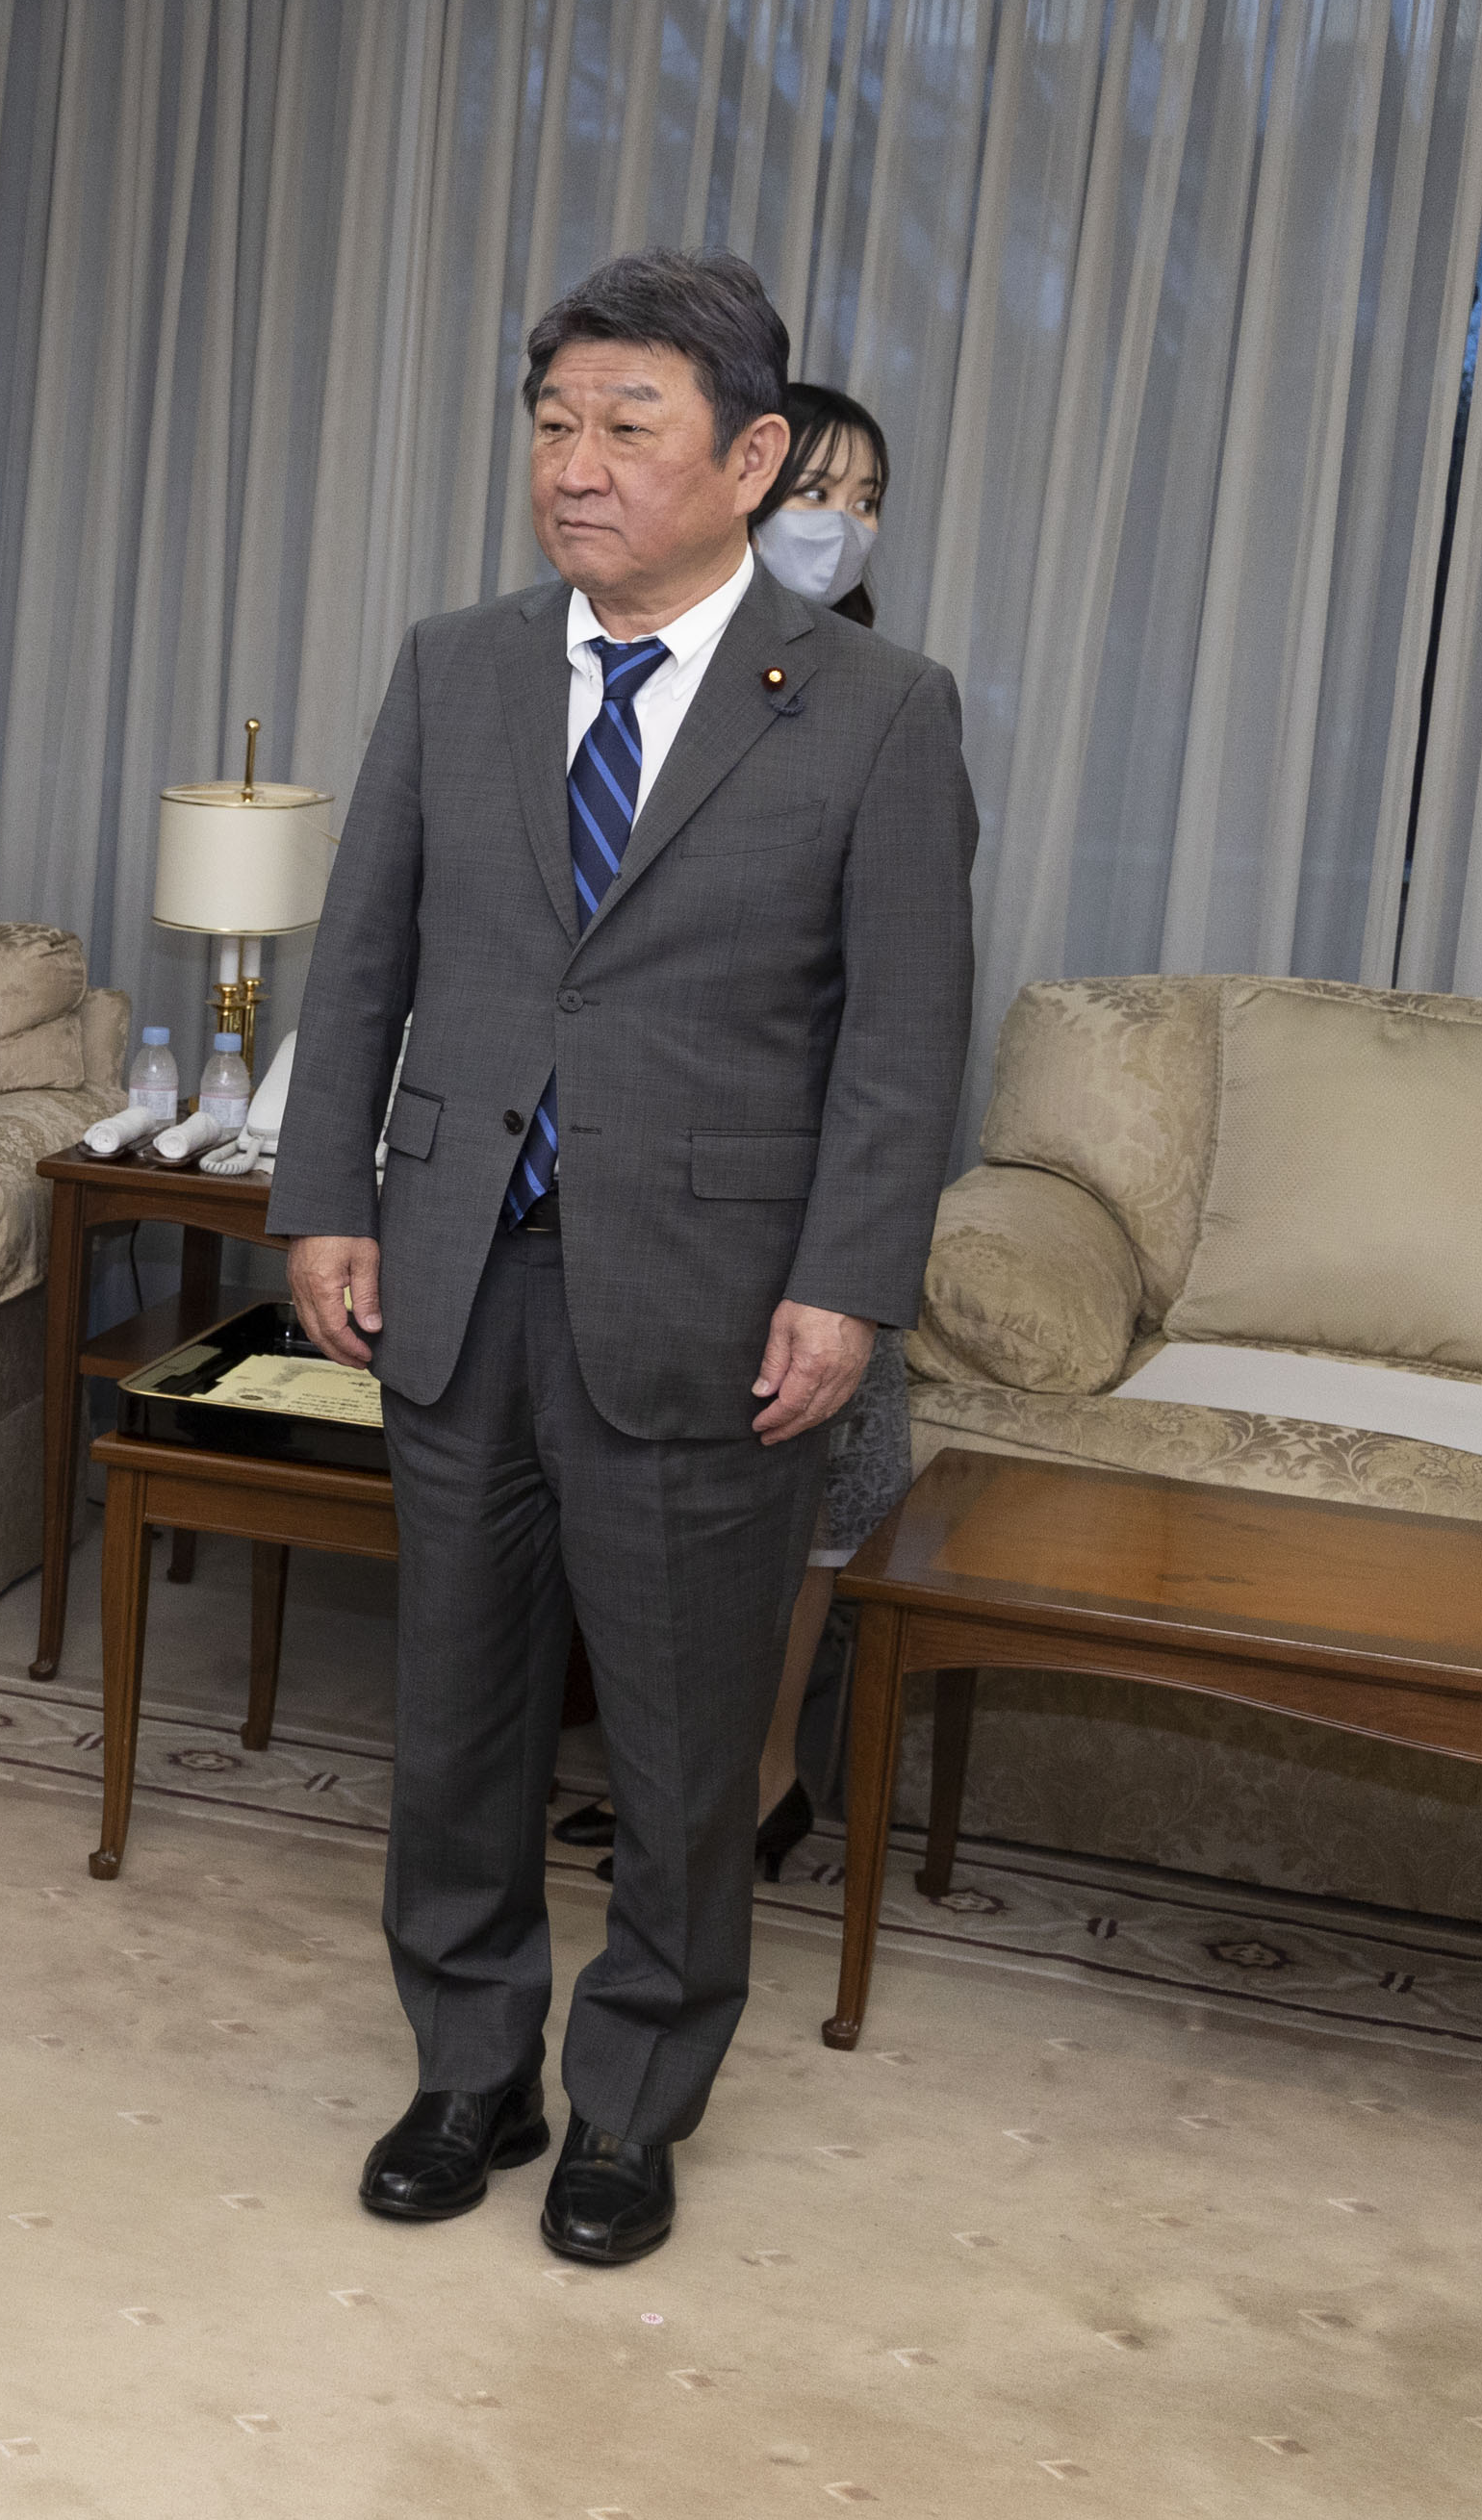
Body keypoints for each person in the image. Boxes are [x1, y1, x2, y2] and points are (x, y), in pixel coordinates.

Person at [269, 251, 978, 2271]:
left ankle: (632, 2101)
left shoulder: (874, 710)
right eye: (551, 424)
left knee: (673, 1747)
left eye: (624, 427)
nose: (573, 466)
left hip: (710, 1298)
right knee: (454, 1715)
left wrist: (844, 1285)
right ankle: (466, 2067)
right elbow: (365, 955)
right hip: (455, 1271)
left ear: (746, 460)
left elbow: (900, 1039)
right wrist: (322, 1197)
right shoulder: (456, 666)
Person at [563, 376, 907, 1883]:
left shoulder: (878, 699)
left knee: (803, 1508)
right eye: (818, 491)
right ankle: (675, 1788)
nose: (841, 525)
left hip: (801, 1184)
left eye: (867, 501)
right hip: (634, 1189)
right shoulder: (613, 669)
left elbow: (894, 1010)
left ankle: (758, 1783)